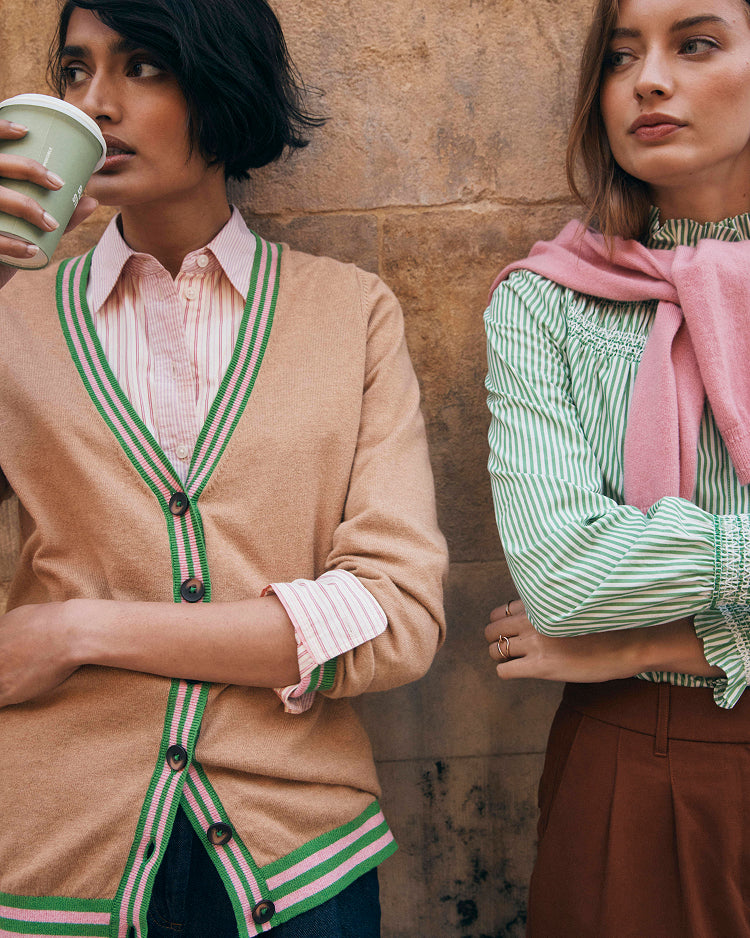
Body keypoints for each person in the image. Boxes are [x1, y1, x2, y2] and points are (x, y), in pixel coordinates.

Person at [0, 1, 447, 936]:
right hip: (54, 860)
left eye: (145, 67)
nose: (98, 106)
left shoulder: (350, 312)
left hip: (300, 859)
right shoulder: (13, 323)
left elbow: (393, 614)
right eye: (77, 73)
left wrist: (77, 628)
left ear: (224, 83)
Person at [484, 0, 750, 934]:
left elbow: (601, 611)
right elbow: (562, 579)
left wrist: (650, 642)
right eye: (621, 55)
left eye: (698, 43)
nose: (648, 80)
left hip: (627, 678)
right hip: (631, 759)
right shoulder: (544, 304)